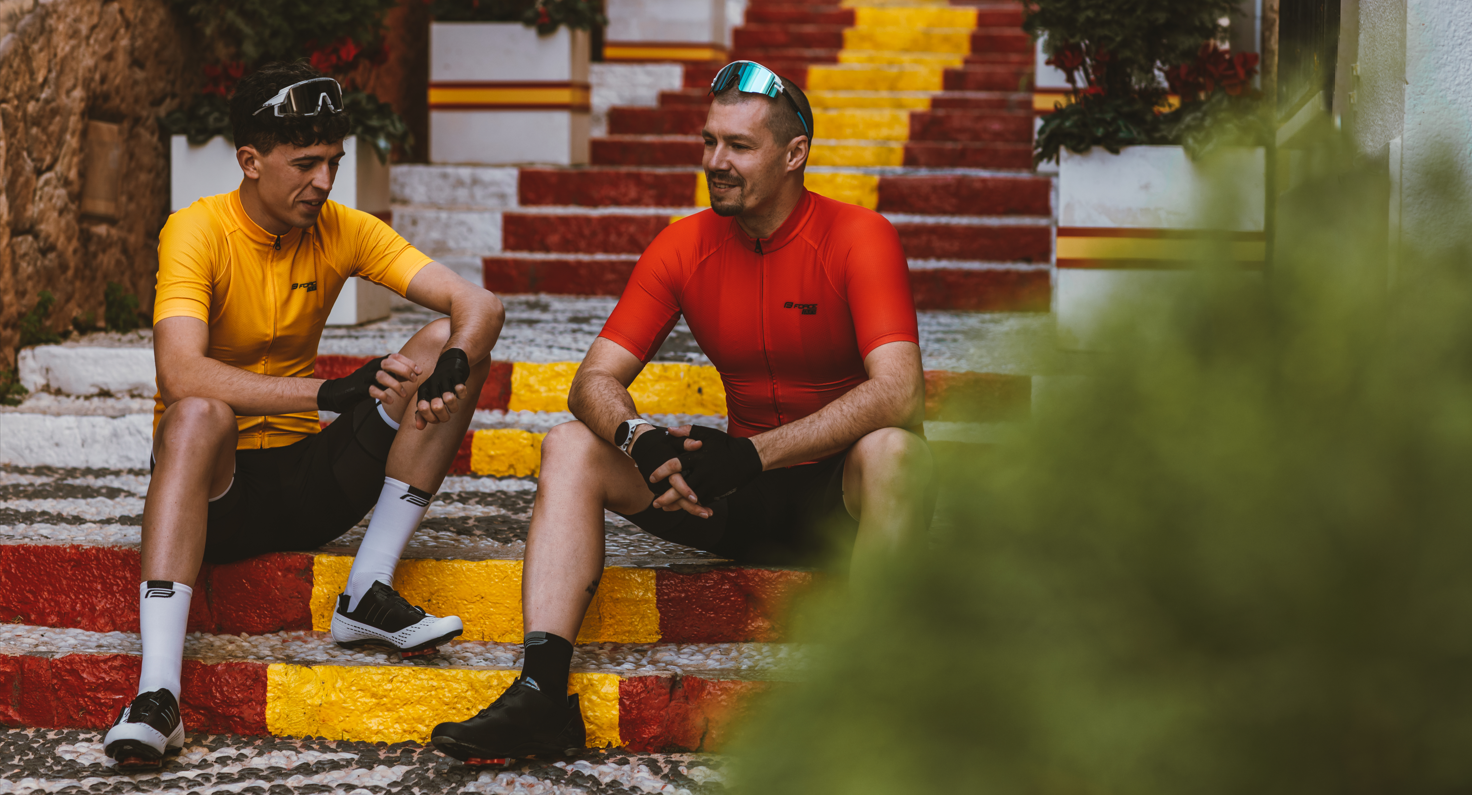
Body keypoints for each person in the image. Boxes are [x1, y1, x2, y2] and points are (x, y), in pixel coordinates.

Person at [429, 60, 935, 764]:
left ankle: (876, 700)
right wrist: (638, 438)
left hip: (841, 502)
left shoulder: (859, 235)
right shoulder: (683, 244)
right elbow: (593, 380)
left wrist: (753, 453)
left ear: (795, 154)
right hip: (736, 496)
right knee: (571, 443)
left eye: (739, 146)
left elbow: (900, 391)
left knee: (897, 450)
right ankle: (541, 695)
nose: (715, 162)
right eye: (709, 141)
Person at [103, 62, 505, 768]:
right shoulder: (196, 229)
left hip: (312, 484)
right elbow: (179, 371)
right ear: (250, 162)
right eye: (306, 163)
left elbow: (480, 304)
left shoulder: (342, 227)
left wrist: (455, 362)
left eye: (334, 163)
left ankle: (367, 590)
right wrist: (326, 393)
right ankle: (158, 694)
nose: (324, 181)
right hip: (217, 496)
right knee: (196, 412)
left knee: (451, 337)